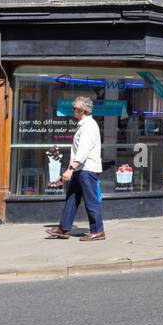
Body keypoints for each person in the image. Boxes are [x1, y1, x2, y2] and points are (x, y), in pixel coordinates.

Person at [46, 96, 106, 241]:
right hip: (80, 169)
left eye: (74, 108)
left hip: (87, 170)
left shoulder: (88, 126)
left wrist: (71, 169)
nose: (73, 110)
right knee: (72, 198)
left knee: (91, 201)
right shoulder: (83, 125)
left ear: (81, 110)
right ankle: (64, 228)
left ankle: (98, 231)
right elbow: (79, 151)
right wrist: (68, 171)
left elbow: (83, 151)